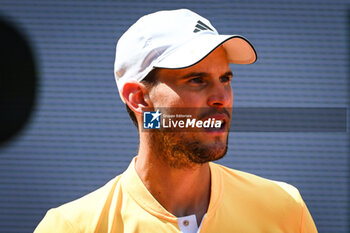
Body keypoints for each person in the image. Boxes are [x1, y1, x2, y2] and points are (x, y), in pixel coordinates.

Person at [35, 9, 318, 233]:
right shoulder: (70, 227)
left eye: (225, 79)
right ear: (139, 98)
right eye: (197, 80)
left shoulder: (284, 208)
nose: (222, 98)